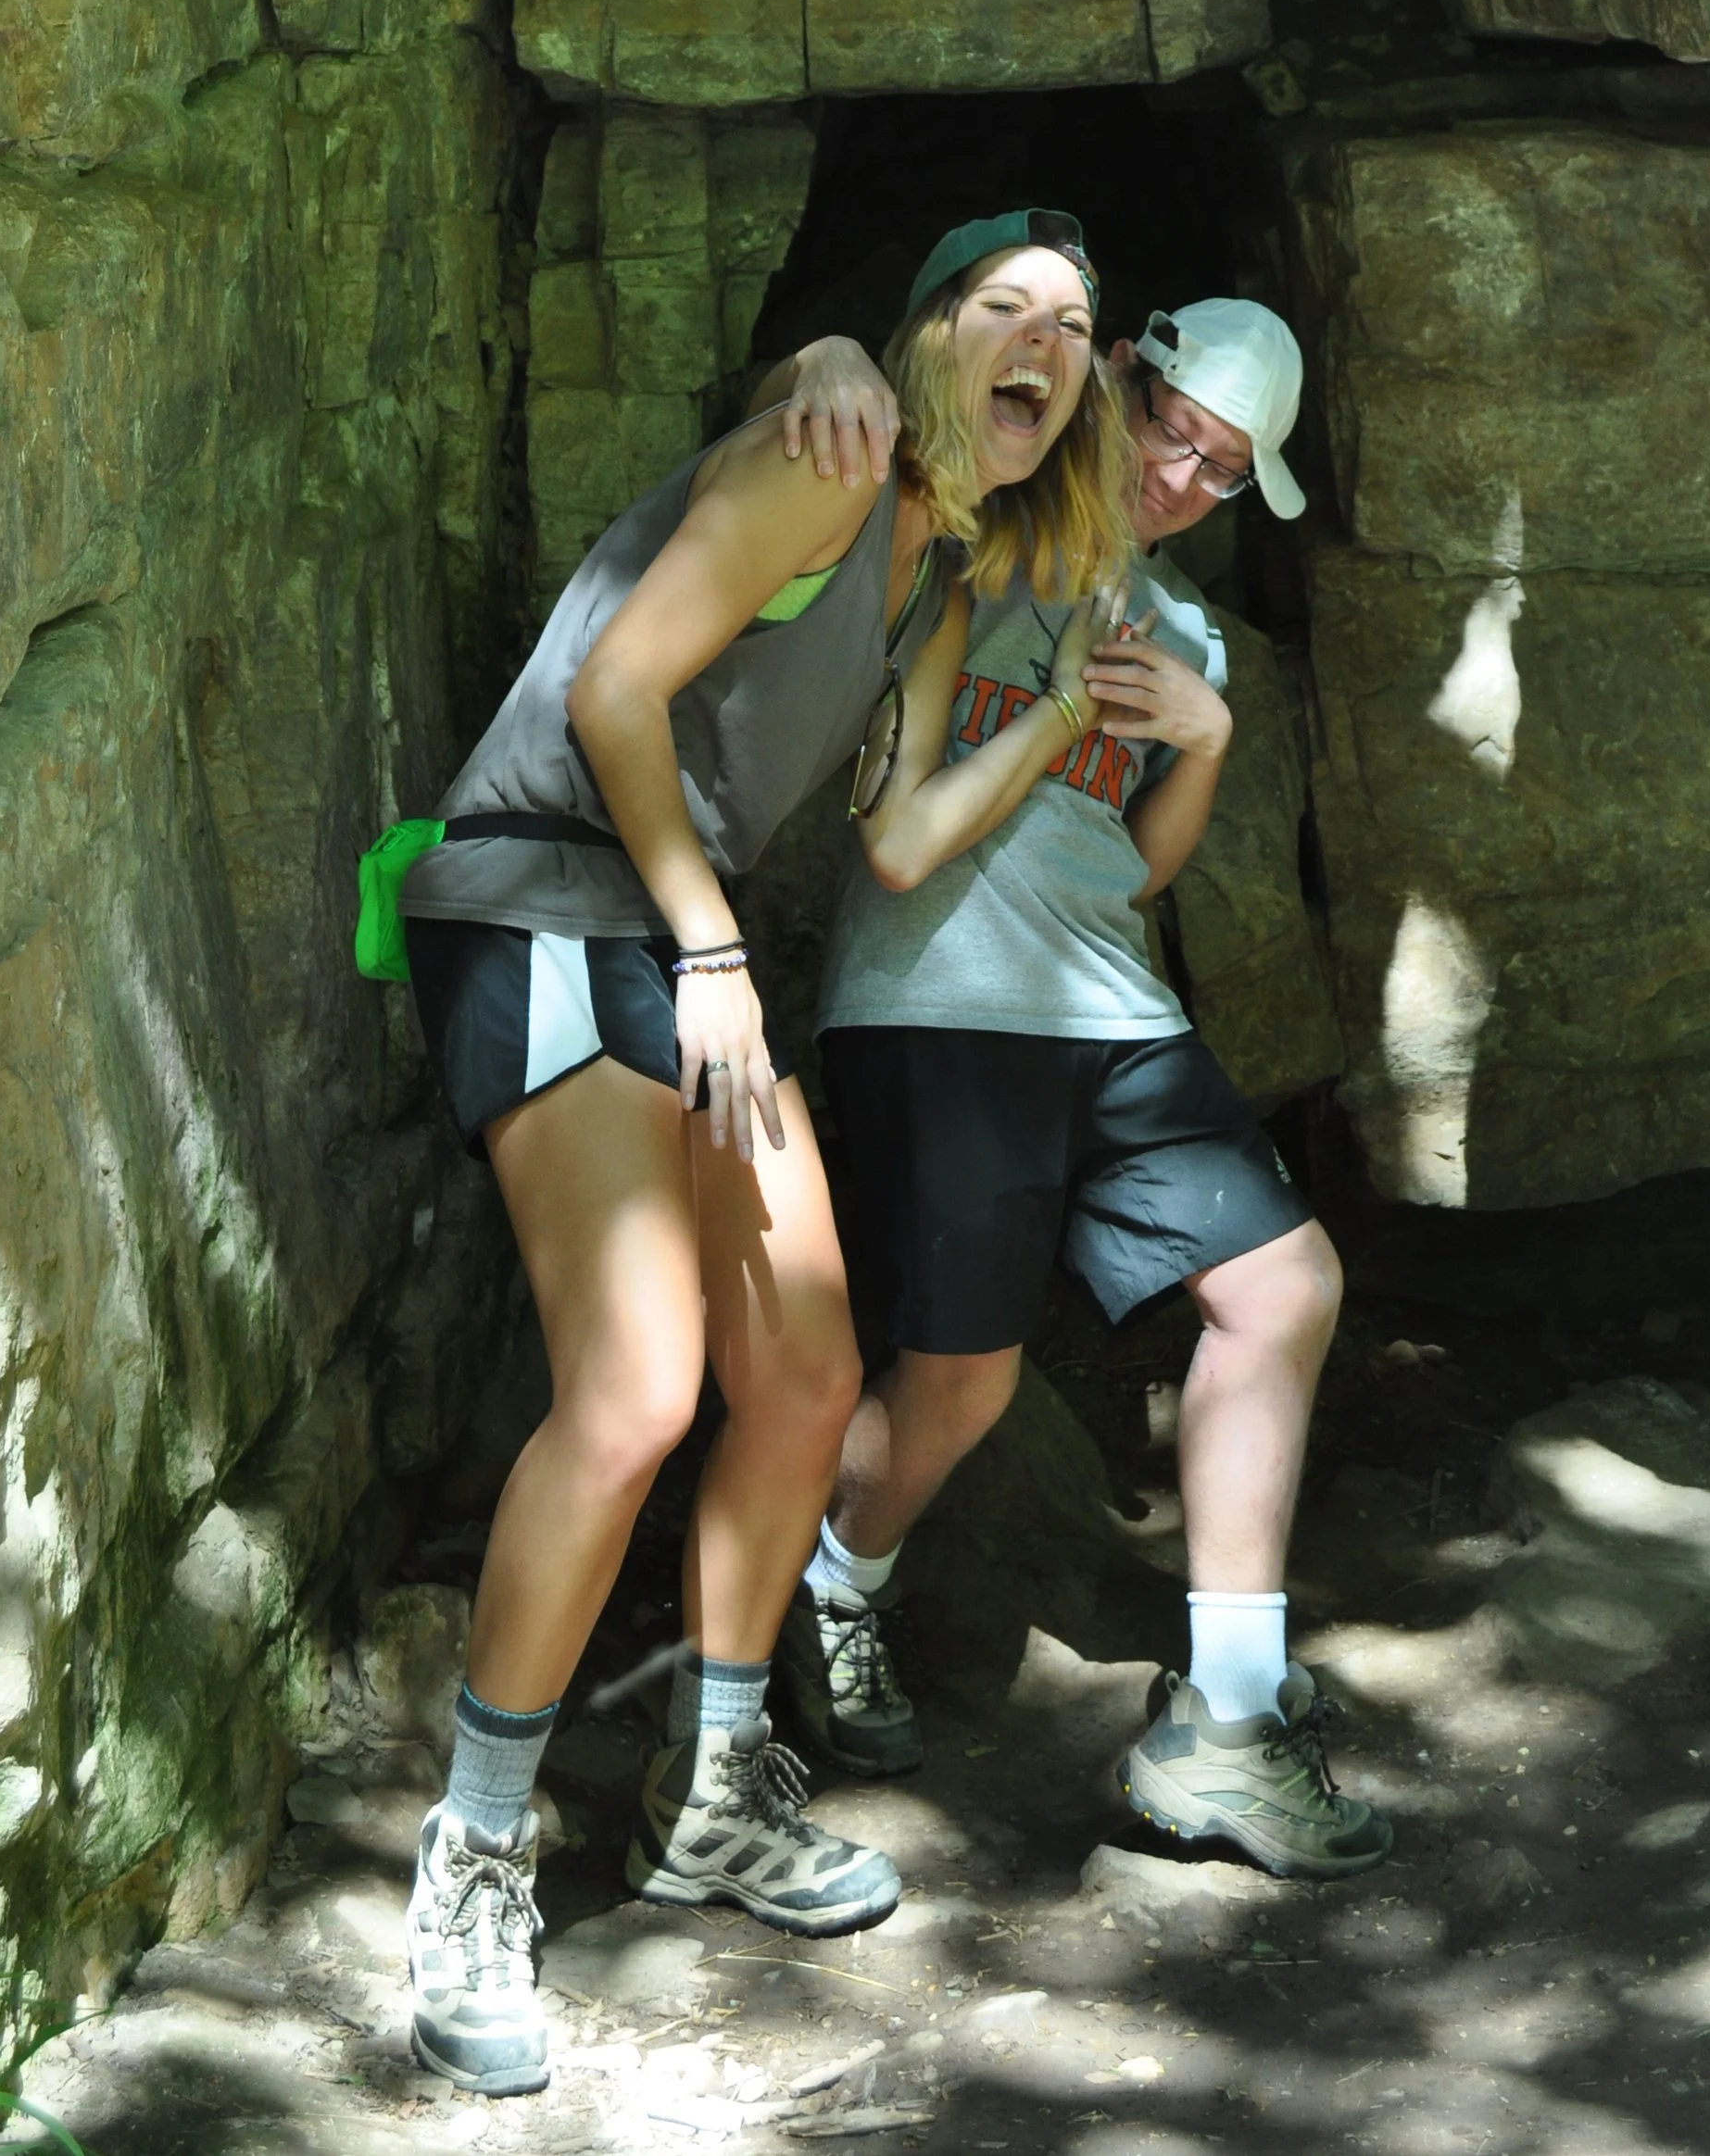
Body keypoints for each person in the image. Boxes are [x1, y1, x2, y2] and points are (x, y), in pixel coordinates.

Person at [367, 213, 1136, 2096]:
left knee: (799, 1366)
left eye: (1074, 329)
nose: (1039, 341)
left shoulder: (925, 553)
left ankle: (706, 1790)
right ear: (920, 334)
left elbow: (882, 830)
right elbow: (618, 687)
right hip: (548, 907)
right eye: (1001, 308)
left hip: (656, 943)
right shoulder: (832, 454)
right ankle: (469, 1854)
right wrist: (713, 949)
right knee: (634, 1388)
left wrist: (1054, 720)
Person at [773, 296, 1392, 1884]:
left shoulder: (1178, 628)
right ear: (1122, 378)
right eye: (1178, 431)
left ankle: (1233, 1718)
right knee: (961, 1383)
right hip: (939, 1000)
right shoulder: (978, 524)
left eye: (1227, 471)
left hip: (1109, 1007)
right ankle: (835, 1584)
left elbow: (1141, 873)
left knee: (1284, 1283)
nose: (1186, 476)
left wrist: (1207, 737)